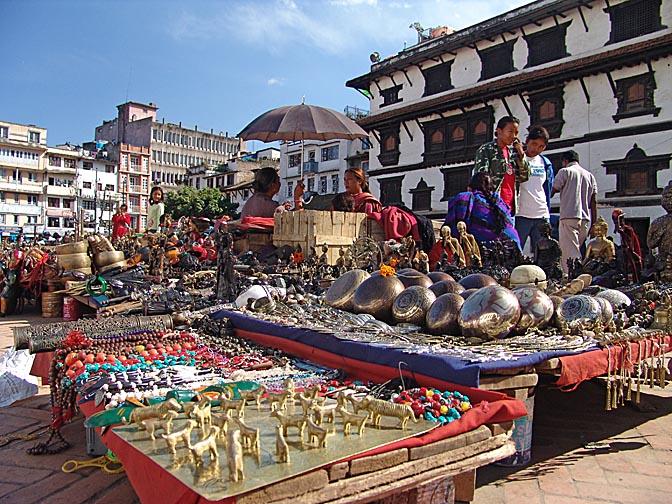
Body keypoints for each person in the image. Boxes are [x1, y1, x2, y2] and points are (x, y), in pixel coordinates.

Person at [444, 172, 521, 249]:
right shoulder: (500, 203)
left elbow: (451, 229)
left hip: (488, 251)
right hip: (513, 248)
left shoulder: (464, 198)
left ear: (469, 188)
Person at [551, 150, 597, 275]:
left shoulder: (565, 171)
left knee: (569, 254)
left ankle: (573, 278)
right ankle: (576, 275)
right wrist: (594, 223)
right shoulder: (589, 176)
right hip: (585, 219)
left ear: (565, 161)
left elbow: (552, 190)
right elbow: (593, 202)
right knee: (575, 249)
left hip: (569, 216)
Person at [473, 115, 529, 215]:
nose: (514, 136)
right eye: (510, 131)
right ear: (499, 131)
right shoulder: (487, 150)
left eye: (516, 133)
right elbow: (480, 179)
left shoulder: (514, 154)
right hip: (491, 207)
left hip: (510, 209)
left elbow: (525, 176)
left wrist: (521, 155)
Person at [515, 126, 554, 253]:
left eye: (541, 146)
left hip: (541, 213)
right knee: (515, 252)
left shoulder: (545, 163)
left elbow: (546, 188)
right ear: (527, 141)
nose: (536, 149)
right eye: (534, 144)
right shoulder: (517, 160)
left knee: (543, 253)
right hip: (521, 214)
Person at [612, 208, 642, 283]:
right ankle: (626, 280)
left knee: (632, 265)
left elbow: (630, 242)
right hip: (624, 250)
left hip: (630, 250)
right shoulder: (620, 229)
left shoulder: (628, 229)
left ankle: (635, 281)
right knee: (624, 265)